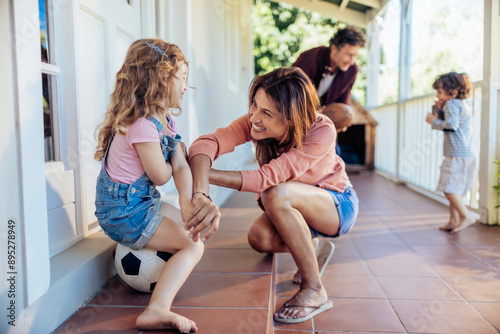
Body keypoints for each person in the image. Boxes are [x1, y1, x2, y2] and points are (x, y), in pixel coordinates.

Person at [187, 67, 359, 323]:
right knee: (259, 238)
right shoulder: (256, 123)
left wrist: (206, 174)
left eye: (266, 113)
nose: (254, 117)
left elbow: (267, 179)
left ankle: (314, 289)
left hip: (336, 204)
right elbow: (208, 143)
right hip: (298, 203)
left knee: (275, 194)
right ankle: (311, 247)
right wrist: (200, 190)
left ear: (291, 118)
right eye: (254, 105)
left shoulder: (321, 130)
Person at [94, 38, 206, 333]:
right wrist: (177, 156)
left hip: (139, 203)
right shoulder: (142, 124)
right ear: (160, 78)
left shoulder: (164, 120)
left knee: (189, 228)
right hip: (124, 212)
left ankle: (161, 294)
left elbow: (180, 165)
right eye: (182, 78)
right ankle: (156, 309)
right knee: (193, 246)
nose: (186, 87)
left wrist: (186, 201)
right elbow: (160, 174)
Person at [425, 72, 477, 233]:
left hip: (456, 155)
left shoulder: (452, 104)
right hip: (466, 154)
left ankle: (465, 216)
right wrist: (438, 110)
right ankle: (453, 220)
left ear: (452, 92)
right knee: (456, 189)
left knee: (448, 188)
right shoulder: (462, 104)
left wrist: (433, 121)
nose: (437, 95)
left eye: (440, 92)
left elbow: (451, 125)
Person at [292, 26, 365, 107]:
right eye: (348, 55)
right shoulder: (309, 58)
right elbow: (293, 93)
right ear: (334, 48)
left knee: (347, 113)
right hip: (297, 108)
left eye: (355, 56)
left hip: (324, 114)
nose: (352, 61)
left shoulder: (352, 70)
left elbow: (342, 104)